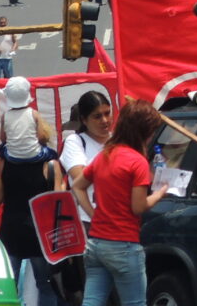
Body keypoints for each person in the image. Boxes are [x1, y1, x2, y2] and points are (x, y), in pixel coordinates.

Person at [72, 100, 170, 306]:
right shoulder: (137, 162)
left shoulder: (105, 155)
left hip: (96, 242)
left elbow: (77, 186)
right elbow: (138, 207)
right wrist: (160, 193)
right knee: (135, 303)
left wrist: (93, 214)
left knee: (92, 301)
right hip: (124, 244)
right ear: (144, 131)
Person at [0, 134, 63, 306]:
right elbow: (57, 201)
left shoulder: (4, 162)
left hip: (12, 232)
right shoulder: (50, 163)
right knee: (46, 286)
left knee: (7, 287)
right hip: (41, 235)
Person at [60, 90, 114, 229]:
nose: (105, 120)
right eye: (97, 116)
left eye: (107, 113)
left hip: (117, 220)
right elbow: (80, 177)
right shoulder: (75, 142)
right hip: (85, 221)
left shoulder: (118, 140)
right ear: (84, 120)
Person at [0, 76, 59, 163]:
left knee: (0, 149)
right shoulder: (34, 114)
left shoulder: (5, 116)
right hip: (35, 156)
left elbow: (3, 138)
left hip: (11, 157)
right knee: (53, 154)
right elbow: (41, 137)